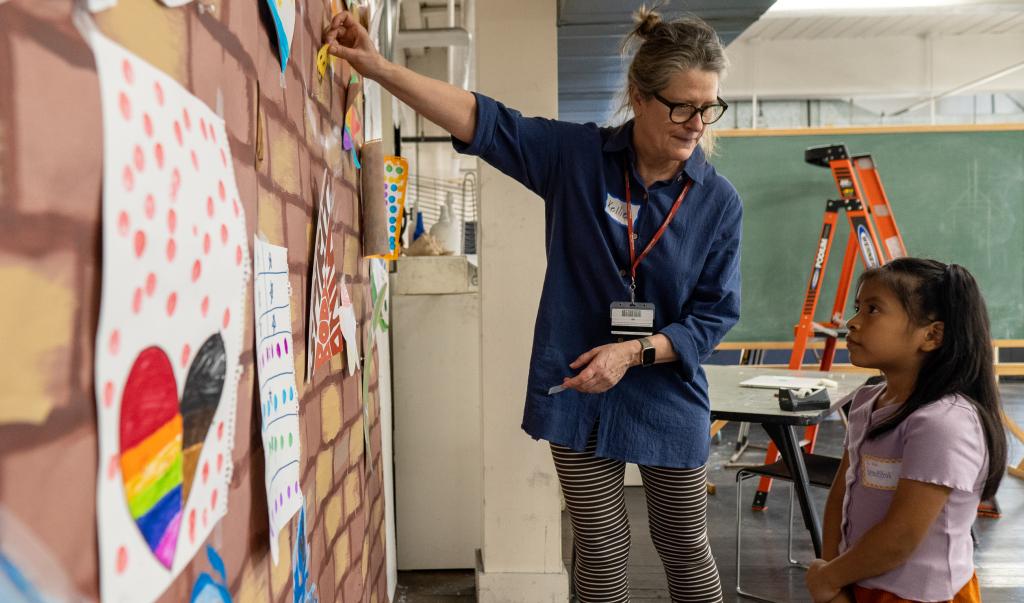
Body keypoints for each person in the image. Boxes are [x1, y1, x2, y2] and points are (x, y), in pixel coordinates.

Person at [324, 6, 741, 602]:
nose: (697, 123)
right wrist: (379, 67)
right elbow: (485, 121)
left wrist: (632, 353)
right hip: (577, 387)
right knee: (600, 541)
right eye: (682, 106)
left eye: (708, 107)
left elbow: (715, 313)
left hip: (667, 387)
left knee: (683, 542)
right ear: (639, 96)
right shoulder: (575, 158)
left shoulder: (718, 202)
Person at [806, 258, 1007, 603]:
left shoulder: (943, 423)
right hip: (856, 579)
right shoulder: (867, 401)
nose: (851, 323)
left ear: (931, 335)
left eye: (872, 310)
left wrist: (830, 577)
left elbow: (900, 537)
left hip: (920, 596)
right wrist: (832, 577)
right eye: (858, 308)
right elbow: (841, 495)